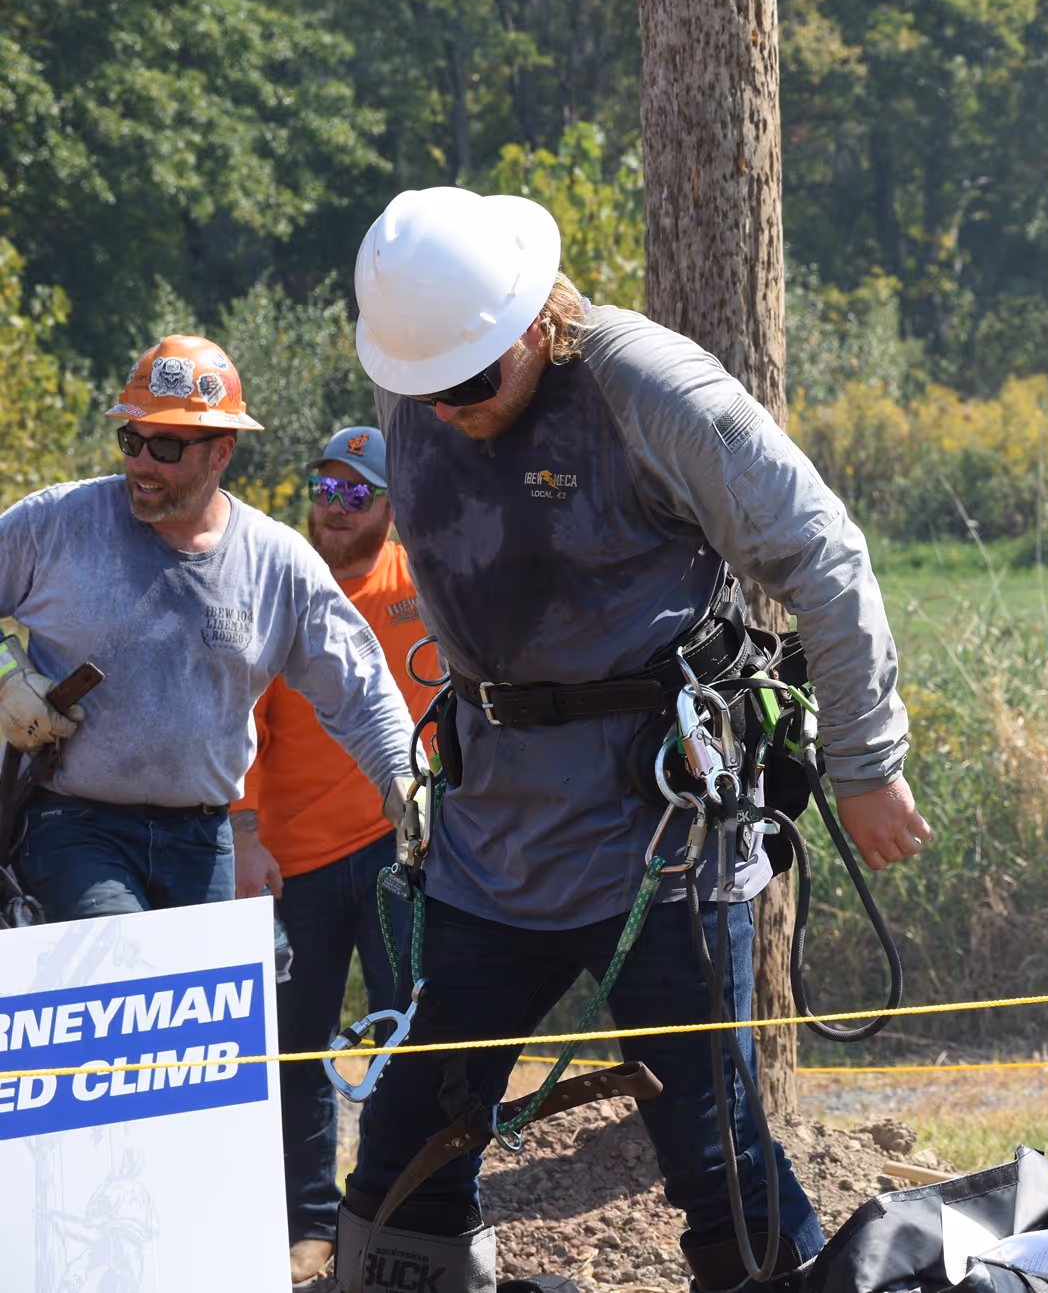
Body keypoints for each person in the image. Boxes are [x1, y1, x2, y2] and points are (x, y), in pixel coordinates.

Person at [338, 187, 931, 1293]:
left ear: (530, 319)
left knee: (714, 1160)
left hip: (655, 830)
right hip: (488, 833)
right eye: (429, 389)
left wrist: (865, 761)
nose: (452, 406)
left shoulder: (643, 385)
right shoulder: (423, 365)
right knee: (406, 1150)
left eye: (475, 380)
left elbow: (825, 554)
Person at [0, 337, 419, 923]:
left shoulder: (275, 563)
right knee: (130, 971)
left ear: (221, 452)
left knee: (204, 1012)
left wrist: (408, 789)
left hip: (202, 839)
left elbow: (360, 690)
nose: (142, 463)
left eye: (167, 446)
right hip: (71, 826)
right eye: (132, 440)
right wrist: (6, 678)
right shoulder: (56, 525)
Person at [233, 426, 429, 1287]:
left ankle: (385, 1212)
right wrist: (243, 839)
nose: (333, 506)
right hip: (291, 861)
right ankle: (308, 1223)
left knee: (407, 1038)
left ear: (392, 506)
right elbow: (233, 724)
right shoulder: (278, 586)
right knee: (296, 1048)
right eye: (325, 487)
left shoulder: (425, 582)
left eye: (356, 494)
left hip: (399, 853)